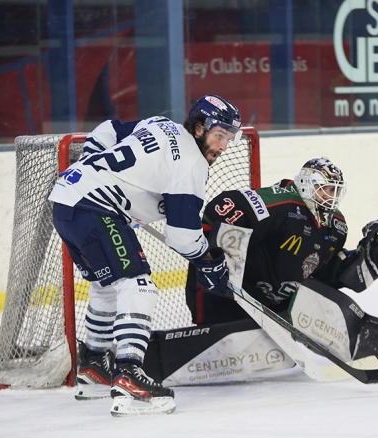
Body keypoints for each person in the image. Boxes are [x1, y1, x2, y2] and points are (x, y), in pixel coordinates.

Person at [48, 94, 241, 416]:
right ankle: (128, 375)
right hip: (94, 208)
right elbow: (181, 237)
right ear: (198, 127)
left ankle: (94, 367)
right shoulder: (190, 165)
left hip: (67, 202)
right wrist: (208, 261)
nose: (223, 147)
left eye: (229, 139)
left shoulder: (159, 124)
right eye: (219, 135)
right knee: (139, 286)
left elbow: (108, 129)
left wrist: (93, 166)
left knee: (108, 287)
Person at [185, 157, 378, 326]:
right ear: (307, 184)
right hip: (231, 294)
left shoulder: (337, 225)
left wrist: (360, 263)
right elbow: (226, 205)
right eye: (325, 188)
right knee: (210, 265)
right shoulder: (283, 202)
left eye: (335, 191)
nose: (331, 196)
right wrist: (219, 254)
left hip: (272, 308)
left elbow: (322, 273)